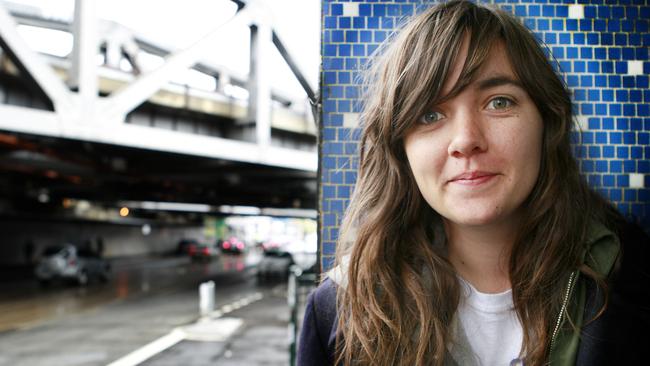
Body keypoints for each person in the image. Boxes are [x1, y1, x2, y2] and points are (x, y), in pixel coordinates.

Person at [298, 1, 650, 365]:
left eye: (499, 102)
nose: (466, 140)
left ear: (546, 122)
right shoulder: (339, 310)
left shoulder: (632, 277)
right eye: (429, 114)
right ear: (401, 149)